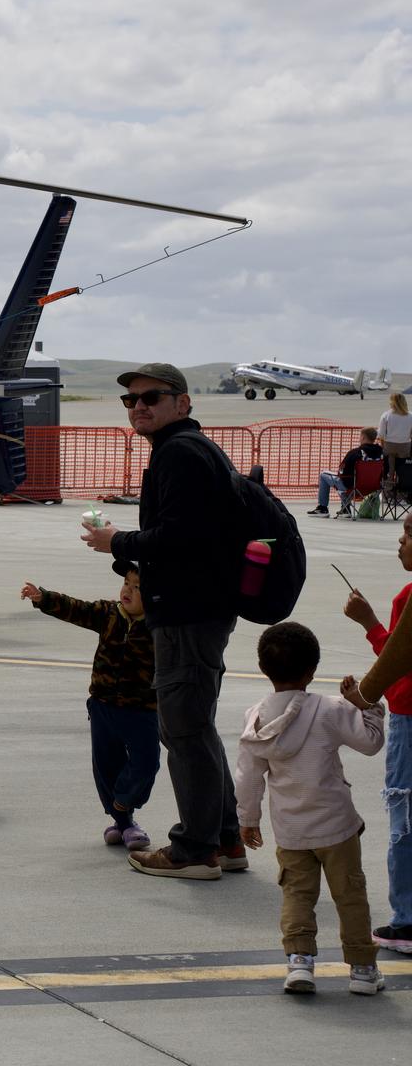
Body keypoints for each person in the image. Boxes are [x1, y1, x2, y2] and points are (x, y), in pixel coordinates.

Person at [84, 363, 248, 880]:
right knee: (194, 728)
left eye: (150, 398)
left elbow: (181, 540)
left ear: (182, 402)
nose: (138, 407)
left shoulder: (179, 454)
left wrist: (119, 542)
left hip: (187, 614)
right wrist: (128, 556)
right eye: (130, 401)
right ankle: (225, 839)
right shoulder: (185, 451)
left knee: (182, 731)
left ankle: (195, 850)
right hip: (195, 609)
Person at [234, 622, 384, 996]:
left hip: (291, 831)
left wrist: (248, 820)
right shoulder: (329, 710)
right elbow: (370, 743)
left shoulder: (256, 719)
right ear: (311, 671)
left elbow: (249, 778)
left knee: (297, 895)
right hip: (336, 827)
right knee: (350, 895)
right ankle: (363, 969)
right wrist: (367, 706)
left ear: (264, 668)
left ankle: (300, 962)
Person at [21, 559, 161, 852]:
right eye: (127, 583)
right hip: (103, 706)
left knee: (146, 761)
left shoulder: (159, 627)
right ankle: (123, 823)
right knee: (106, 764)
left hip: (142, 709)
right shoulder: (109, 613)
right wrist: (44, 598)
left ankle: (124, 802)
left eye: (138, 588)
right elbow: (77, 609)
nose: (129, 591)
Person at [340, 509, 412, 955]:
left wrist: (370, 625)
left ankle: (405, 921)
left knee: (404, 818)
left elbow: (398, 659)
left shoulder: (408, 595)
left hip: (408, 715)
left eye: (408, 533)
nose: (400, 540)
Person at [309, 427, 383, 517]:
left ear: (363, 437)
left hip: (353, 487)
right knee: (347, 479)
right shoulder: (382, 453)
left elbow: (342, 471)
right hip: (374, 488)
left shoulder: (355, 453)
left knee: (324, 475)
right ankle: (345, 509)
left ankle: (323, 508)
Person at [381, 392, 412, 492]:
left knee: (390, 466)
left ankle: (389, 486)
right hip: (405, 446)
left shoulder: (386, 415)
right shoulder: (410, 416)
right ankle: (401, 488)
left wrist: (383, 445)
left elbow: (381, 434)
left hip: (389, 445)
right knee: (402, 467)